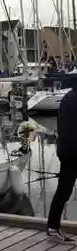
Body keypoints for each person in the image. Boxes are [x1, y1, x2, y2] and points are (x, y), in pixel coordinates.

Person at [48, 88, 77, 242]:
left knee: (63, 190)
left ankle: (53, 228)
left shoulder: (68, 98)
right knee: (64, 190)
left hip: (66, 149)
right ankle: (52, 228)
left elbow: (61, 126)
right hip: (73, 151)